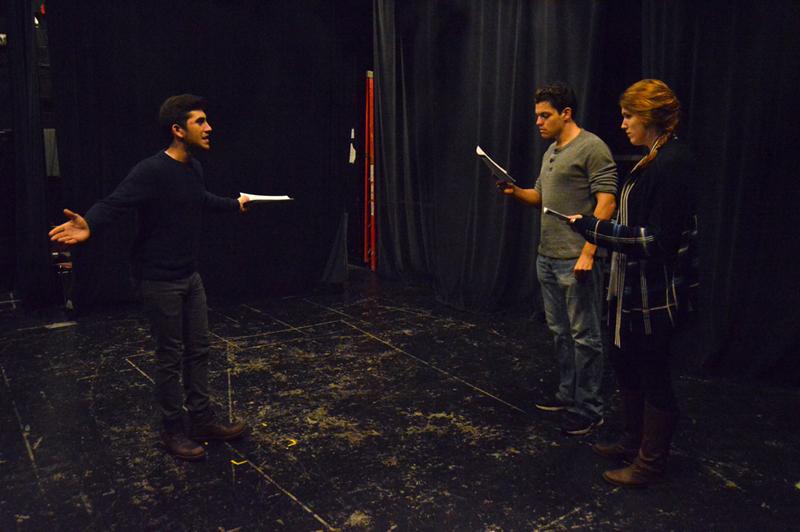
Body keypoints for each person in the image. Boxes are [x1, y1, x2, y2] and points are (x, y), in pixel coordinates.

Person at [49, 94, 251, 461]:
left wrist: (234, 203)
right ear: (178, 129)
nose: (209, 128)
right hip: (159, 281)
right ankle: (173, 431)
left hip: (190, 277)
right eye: (200, 122)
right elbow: (115, 202)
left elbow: (199, 199)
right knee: (169, 356)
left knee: (199, 350)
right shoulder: (152, 171)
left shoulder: (193, 168)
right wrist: (88, 224)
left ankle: (202, 420)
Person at [566, 79, 698, 487]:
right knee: (627, 362)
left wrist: (594, 229)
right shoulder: (651, 158)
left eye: (628, 116)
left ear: (650, 117)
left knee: (654, 370)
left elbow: (657, 239)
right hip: (632, 290)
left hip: (655, 293)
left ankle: (650, 463)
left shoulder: (673, 162)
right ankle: (633, 439)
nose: (622, 124)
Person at [500, 82, 617, 435]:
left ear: (566, 113)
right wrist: (513, 190)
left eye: (545, 115)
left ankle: (590, 407)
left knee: (586, 337)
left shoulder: (592, 147)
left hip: (575, 259)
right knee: (560, 333)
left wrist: (589, 251)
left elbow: (607, 202)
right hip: (547, 257)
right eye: (537, 115)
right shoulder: (551, 151)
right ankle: (569, 395)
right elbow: (539, 196)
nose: (538, 122)